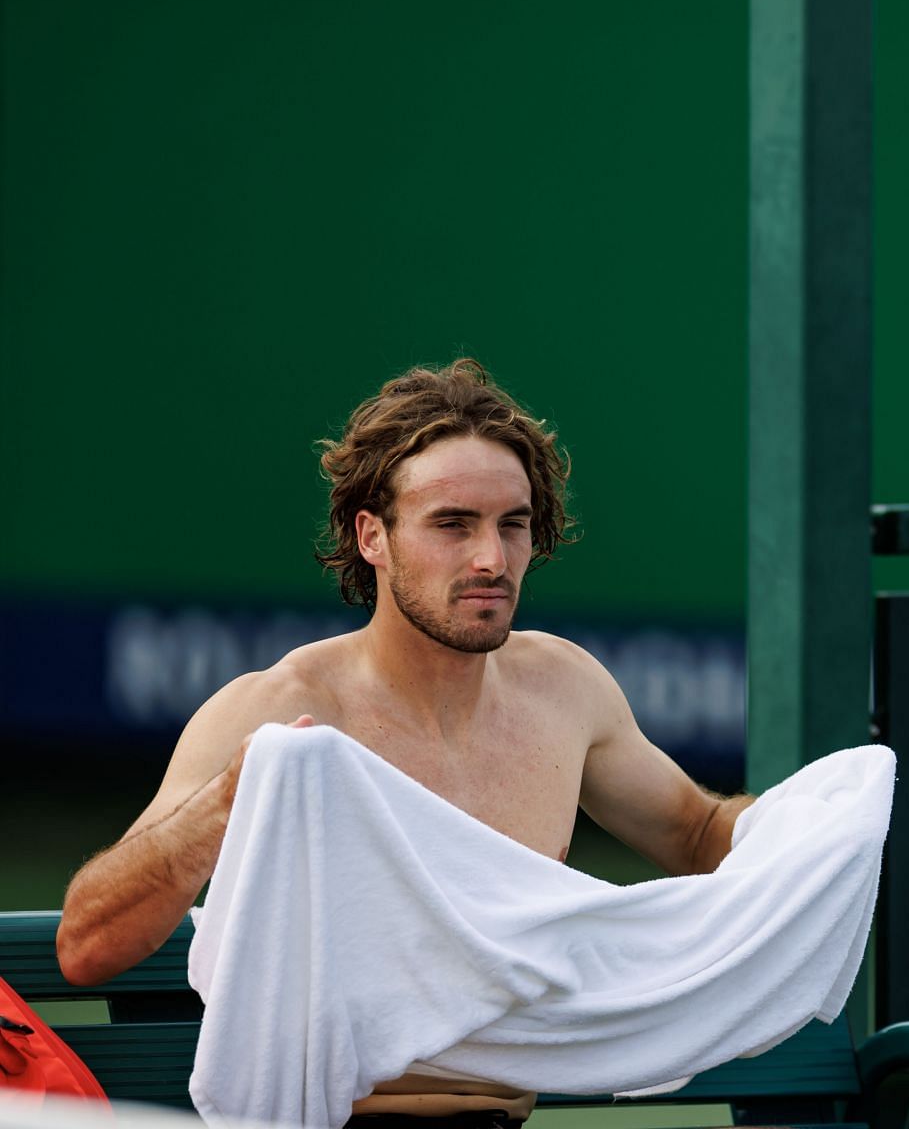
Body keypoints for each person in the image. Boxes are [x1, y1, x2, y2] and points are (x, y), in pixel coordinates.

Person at [57, 359, 752, 1124]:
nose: (491, 558)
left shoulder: (565, 687)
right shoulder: (279, 710)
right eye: (452, 524)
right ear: (372, 537)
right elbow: (87, 945)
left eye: (512, 525)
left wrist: (822, 824)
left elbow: (699, 832)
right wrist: (232, 801)